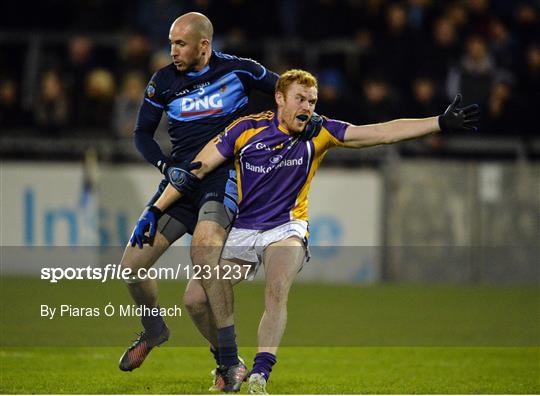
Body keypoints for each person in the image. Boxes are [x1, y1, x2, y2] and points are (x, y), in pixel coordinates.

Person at [132, 69, 480, 393]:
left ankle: (259, 373)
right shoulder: (245, 129)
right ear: (279, 99)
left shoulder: (322, 131)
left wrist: (438, 122)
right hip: (244, 228)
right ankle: (228, 362)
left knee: (277, 288)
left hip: (286, 227)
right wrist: (155, 209)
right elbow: (197, 167)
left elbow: (380, 132)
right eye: (301, 98)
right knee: (194, 300)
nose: (308, 107)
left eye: (312, 101)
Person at [118, 11, 321, 393]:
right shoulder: (162, 81)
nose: (172, 51)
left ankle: (228, 363)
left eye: (180, 44)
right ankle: (154, 329)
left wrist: (313, 121)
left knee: (203, 249)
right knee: (130, 267)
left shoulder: (242, 71)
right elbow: (142, 134)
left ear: (204, 46)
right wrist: (164, 165)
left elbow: (291, 94)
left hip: (224, 178)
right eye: (171, 43)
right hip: (182, 181)